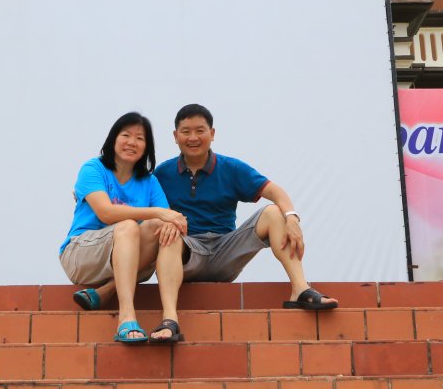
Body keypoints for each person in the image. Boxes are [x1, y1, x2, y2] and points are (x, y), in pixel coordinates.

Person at [148, 103, 337, 343]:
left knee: (273, 212)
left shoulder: (230, 167)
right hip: (187, 253)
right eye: (186, 132)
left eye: (200, 130)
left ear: (212, 134)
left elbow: (274, 190)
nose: (193, 137)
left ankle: (300, 288)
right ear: (175, 137)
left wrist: (292, 217)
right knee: (168, 234)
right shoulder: (162, 174)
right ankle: (170, 319)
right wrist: (164, 220)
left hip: (225, 251)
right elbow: (145, 210)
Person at [59, 112, 188, 344]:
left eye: (140, 138)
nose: (132, 142)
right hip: (80, 254)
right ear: (113, 139)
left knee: (165, 229)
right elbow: (106, 213)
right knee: (129, 226)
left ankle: (163, 315)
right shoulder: (93, 168)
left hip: (126, 257)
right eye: (125, 135)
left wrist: (172, 222)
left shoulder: (149, 182)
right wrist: (158, 212)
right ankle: (126, 318)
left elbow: (167, 220)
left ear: (146, 147)